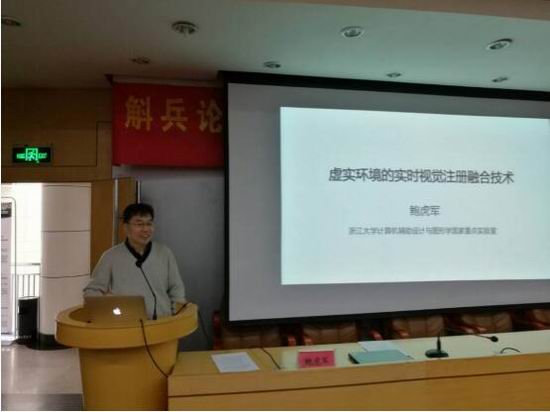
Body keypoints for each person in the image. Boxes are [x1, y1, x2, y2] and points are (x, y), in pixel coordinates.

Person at [84, 203, 186, 319]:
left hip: (162, 323)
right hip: (126, 325)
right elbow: (92, 291)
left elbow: (176, 289)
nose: (146, 229)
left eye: (149, 224)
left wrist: (176, 314)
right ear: (126, 228)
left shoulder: (164, 253)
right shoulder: (110, 256)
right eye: (139, 224)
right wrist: (108, 309)